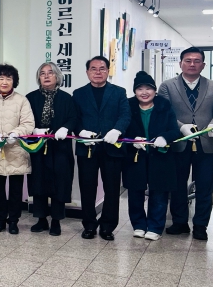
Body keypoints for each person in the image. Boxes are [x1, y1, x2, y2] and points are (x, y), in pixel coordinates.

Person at [158, 46, 213, 241]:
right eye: (188, 60)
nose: (192, 64)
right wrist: (181, 127)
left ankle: (200, 225)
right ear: (180, 63)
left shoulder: (211, 85)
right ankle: (180, 222)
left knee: (205, 186)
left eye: (197, 61)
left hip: (207, 144)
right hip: (178, 143)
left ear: (203, 65)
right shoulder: (167, 86)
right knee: (177, 184)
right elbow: (164, 112)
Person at [73, 56, 130, 241]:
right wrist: (81, 132)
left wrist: (117, 130)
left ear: (108, 70)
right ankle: (89, 225)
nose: (98, 72)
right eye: (93, 68)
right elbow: (74, 118)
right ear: (87, 72)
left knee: (112, 189)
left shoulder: (119, 92)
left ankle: (107, 226)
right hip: (87, 148)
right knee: (87, 188)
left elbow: (125, 115)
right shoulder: (78, 93)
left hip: (112, 147)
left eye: (102, 68)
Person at [124, 71, 181, 241]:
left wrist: (164, 137)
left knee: (159, 193)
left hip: (160, 156)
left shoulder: (164, 105)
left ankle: (155, 227)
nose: (144, 92)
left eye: (148, 88)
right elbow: (122, 129)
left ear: (155, 90)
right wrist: (132, 140)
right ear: (135, 91)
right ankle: (139, 225)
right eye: (139, 88)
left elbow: (174, 130)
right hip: (136, 157)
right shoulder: (128, 106)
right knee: (135, 192)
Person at [26, 62, 77, 236]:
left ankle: (56, 220)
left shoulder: (67, 98)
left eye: (50, 73)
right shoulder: (30, 98)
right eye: (42, 73)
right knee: (38, 182)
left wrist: (66, 128)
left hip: (60, 148)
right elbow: (25, 119)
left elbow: (73, 118)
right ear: (38, 78)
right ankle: (41, 219)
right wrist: (33, 130)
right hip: (38, 147)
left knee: (60, 183)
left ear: (57, 76)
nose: (46, 76)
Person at [0, 64, 34, 235]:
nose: (4, 82)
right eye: (1, 78)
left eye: (8, 78)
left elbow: (28, 123)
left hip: (16, 150)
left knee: (16, 189)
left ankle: (13, 221)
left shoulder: (22, 100)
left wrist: (16, 133)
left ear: (14, 81)